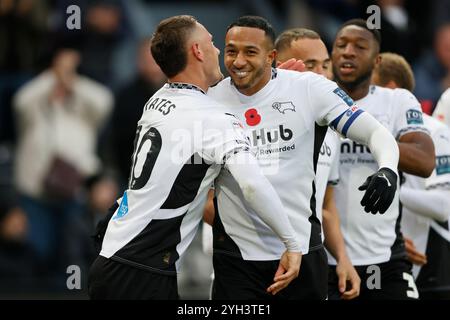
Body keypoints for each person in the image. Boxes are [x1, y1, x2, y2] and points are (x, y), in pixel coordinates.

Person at [88, 15, 302, 300]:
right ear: (198, 51)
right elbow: (252, 185)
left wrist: (269, 81)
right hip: (142, 270)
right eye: (212, 43)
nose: (217, 51)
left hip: (114, 256)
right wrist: (291, 242)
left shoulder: (158, 97)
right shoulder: (211, 118)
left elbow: (205, 101)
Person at [207, 16, 400, 300]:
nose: (237, 61)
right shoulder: (210, 100)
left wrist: (387, 170)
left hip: (304, 251)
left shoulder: (309, 89)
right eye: (232, 50)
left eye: (250, 51)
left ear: (272, 56)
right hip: (237, 259)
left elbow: (376, 133)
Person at [329, 19, 435, 300]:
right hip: (325, 257)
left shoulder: (396, 101)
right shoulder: (315, 99)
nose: (348, 51)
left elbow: (425, 161)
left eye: (359, 46)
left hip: (385, 258)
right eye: (341, 45)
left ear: (376, 60)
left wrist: (372, 138)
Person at [274, 27, 360, 300]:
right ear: (279, 66)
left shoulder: (331, 129)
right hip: (252, 263)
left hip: (310, 261)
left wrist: (343, 259)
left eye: (326, 65)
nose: (322, 75)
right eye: (310, 65)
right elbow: (209, 204)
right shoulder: (247, 120)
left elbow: (325, 207)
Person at [372, 52, 450, 300]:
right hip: (371, 254)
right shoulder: (352, 129)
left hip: (427, 263)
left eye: (369, 86)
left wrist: (388, 187)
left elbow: (445, 205)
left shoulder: (434, 132)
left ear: (391, 89)